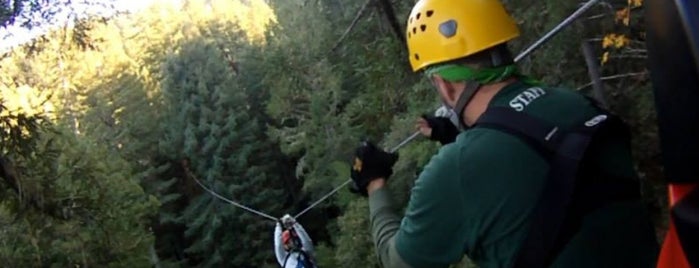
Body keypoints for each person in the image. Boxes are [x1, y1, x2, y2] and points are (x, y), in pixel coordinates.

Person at [347, 0, 659, 267]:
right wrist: (452, 136)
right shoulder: (577, 103)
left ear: (442, 84)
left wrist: (375, 185)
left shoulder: (456, 170)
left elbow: (398, 260)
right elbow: (529, 150)